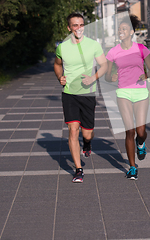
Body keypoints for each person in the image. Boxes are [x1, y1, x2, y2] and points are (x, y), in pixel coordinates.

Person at [54, 13, 107, 183]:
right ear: (69, 28)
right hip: (69, 93)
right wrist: (60, 77)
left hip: (87, 93)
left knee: (88, 133)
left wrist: (93, 78)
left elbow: (104, 65)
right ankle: (78, 169)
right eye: (75, 25)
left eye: (81, 25)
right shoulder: (62, 47)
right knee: (73, 130)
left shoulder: (93, 45)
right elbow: (57, 64)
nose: (79, 28)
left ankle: (87, 143)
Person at [105, 15, 150, 180]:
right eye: (119, 29)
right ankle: (132, 167)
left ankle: (141, 143)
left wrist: (145, 75)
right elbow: (107, 75)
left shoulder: (141, 49)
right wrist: (111, 78)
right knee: (129, 131)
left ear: (131, 32)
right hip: (123, 93)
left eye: (124, 29)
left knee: (141, 131)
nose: (121, 32)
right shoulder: (113, 52)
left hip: (141, 92)